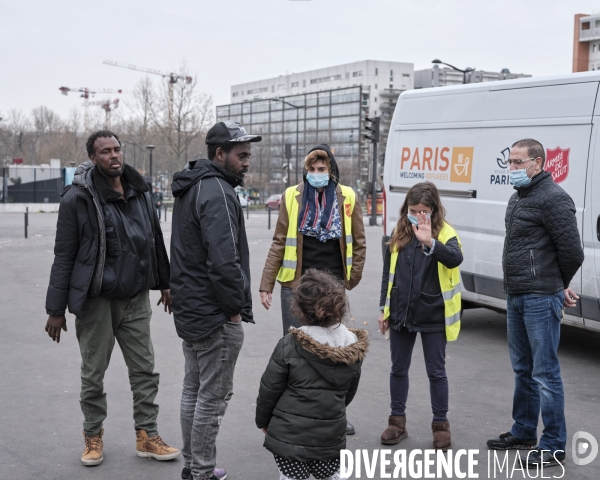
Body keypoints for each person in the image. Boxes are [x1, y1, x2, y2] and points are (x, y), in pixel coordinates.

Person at [44, 130, 179, 467]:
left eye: (117, 149)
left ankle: (147, 436)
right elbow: (64, 255)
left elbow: (153, 239)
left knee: (145, 370)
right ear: (93, 158)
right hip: (97, 301)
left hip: (135, 297)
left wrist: (165, 282)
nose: (113, 156)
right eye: (105, 151)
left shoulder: (140, 191)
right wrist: (55, 309)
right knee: (93, 373)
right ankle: (92, 435)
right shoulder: (78, 198)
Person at [169, 120, 261, 480]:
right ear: (219, 154)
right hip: (214, 315)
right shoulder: (218, 192)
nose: (247, 162)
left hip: (192, 309)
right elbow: (224, 261)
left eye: (248, 155)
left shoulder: (191, 186)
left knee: (194, 390)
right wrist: (234, 312)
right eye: (241, 155)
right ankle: (203, 472)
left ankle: (194, 467)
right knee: (212, 397)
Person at [486, 139, 584, 469]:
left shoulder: (554, 198)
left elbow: (572, 252)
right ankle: (524, 431)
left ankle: (553, 444)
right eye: (509, 162)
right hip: (516, 295)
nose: (511, 168)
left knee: (545, 374)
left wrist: (556, 285)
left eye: (517, 162)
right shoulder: (518, 198)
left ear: (538, 163)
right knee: (523, 370)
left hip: (541, 298)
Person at [259, 144, 366, 436]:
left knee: (333, 351)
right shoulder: (292, 197)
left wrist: (351, 280)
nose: (316, 174)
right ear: (305, 171)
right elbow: (279, 241)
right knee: (294, 352)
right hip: (297, 285)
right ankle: (291, 413)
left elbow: (359, 240)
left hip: (331, 287)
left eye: (322, 169)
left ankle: (334, 415)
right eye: (312, 170)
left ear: (330, 170)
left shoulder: (348, 197)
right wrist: (267, 283)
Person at [256, 269, 368, 480]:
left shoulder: (289, 345)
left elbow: (269, 389)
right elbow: (348, 392)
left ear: (299, 309)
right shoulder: (353, 349)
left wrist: (263, 421)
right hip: (330, 439)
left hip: (290, 441)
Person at [378, 181, 463, 450]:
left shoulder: (447, 233)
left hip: (433, 313)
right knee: (398, 369)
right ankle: (396, 423)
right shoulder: (399, 231)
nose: (418, 215)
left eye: (423, 210)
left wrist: (431, 242)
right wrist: (384, 308)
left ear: (434, 210)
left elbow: (455, 259)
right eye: (413, 210)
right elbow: (387, 274)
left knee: (436, 372)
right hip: (401, 312)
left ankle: (441, 426)